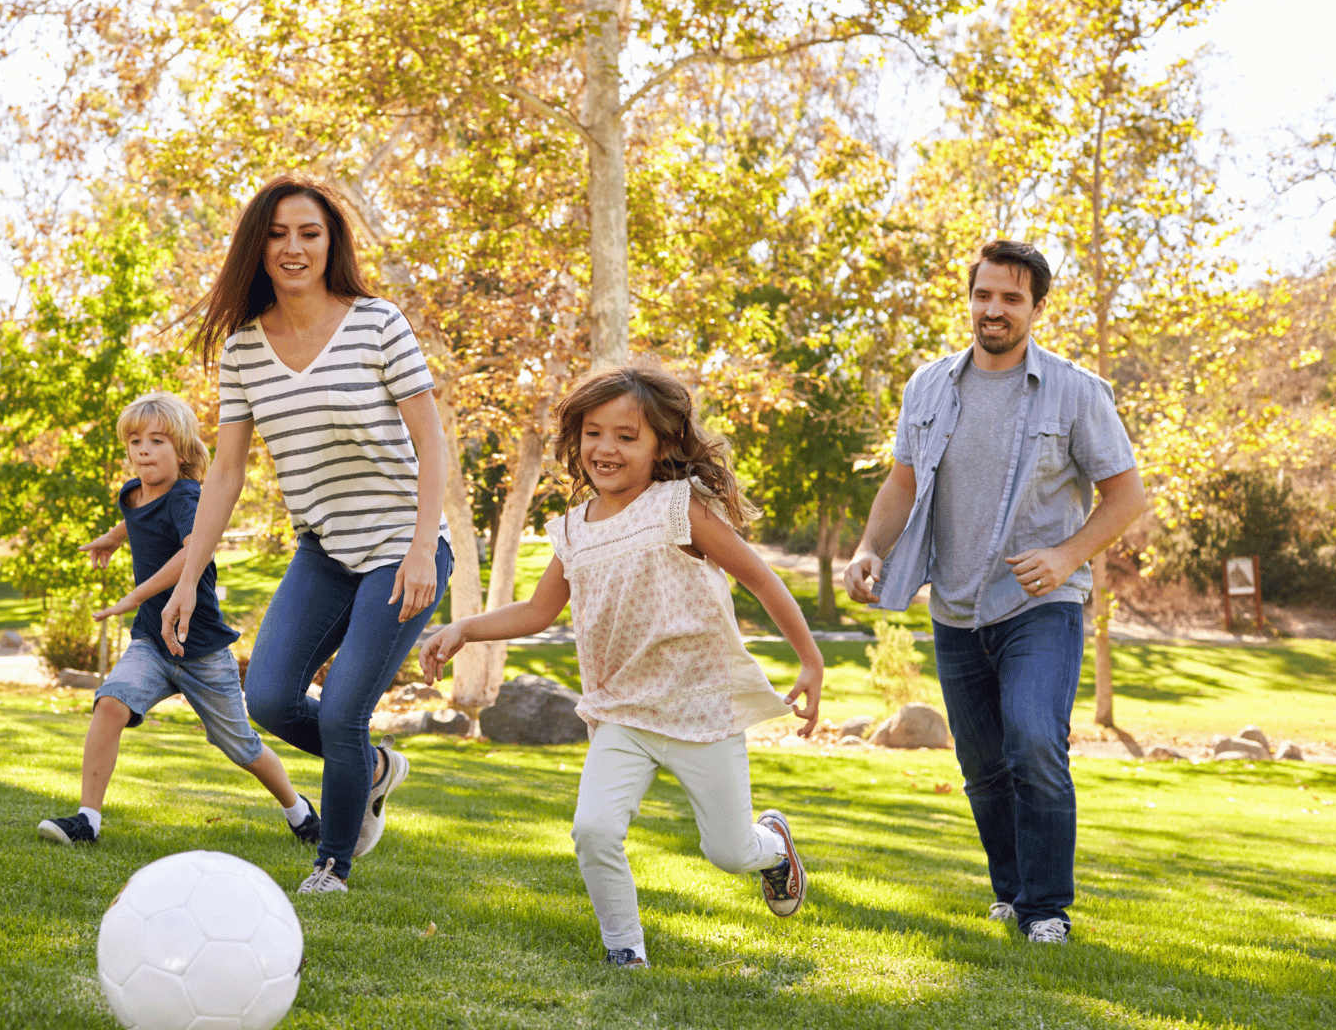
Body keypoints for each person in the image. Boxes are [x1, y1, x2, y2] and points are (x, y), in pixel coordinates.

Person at [420, 366, 824, 970]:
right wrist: (464, 628)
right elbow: (536, 611)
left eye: (627, 436)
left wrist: (811, 660)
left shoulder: (678, 507)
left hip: (698, 707)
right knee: (595, 830)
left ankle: (773, 848)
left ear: (661, 444)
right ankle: (624, 949)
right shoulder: (571, 532)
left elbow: (760, 578)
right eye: (593, 433)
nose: (606, 449)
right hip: (621, 711)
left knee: (729, 852)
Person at [842, 239, 1147, 945]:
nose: (994, 309)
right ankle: (1011, 892)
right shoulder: (929, 387)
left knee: (1035, 742)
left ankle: (1047, 909)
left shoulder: (1075, 390)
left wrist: (1068, 553)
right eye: (984, 294)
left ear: (1037, 307)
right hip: (954, 605)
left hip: (1041, 605)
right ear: (970, 297)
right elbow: (903, 483)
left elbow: (1126, 495)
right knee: (981, 766)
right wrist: (867, 549)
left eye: (1012, 298)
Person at [162, 175, 453, 894]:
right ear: (258, 247)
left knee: (347, 707)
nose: (294, 248)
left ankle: (333, 864)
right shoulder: (243, 352)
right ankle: (377, 769)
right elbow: (226, 474)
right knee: (268, 698)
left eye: (310, 233)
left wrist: (423, 548)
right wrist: (188, 578)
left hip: (400, 549)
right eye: (279, 234)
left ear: (332, 244)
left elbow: (434, 443)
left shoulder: (379, 323)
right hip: (323, 552)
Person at [37, 391, 319, 848]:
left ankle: (300, 812)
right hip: (152, 641)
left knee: (240, 746)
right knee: (110, 703)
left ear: (183, 451)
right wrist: (111, 538)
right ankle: (87, 820)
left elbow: (194, 549)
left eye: (157, 441)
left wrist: (135, 595)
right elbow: (139, 519)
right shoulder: (132, 492)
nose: (143, 450)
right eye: (135, 441)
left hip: (201, 647)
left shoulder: (189, 497)